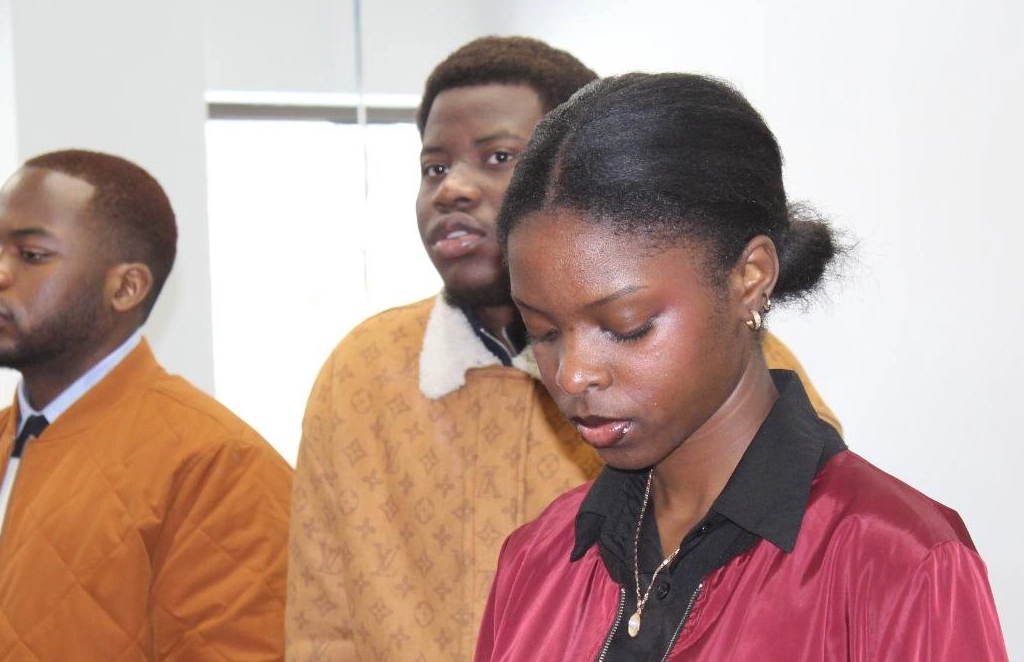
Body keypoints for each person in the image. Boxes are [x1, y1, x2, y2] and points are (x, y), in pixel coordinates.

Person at [287, 38, 839, 662]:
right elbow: (321, 624)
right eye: (434, 167)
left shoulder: (735, 373)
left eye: (499, 158)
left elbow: (812, 576)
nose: (454, 189)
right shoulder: (360, 372)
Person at [474, 73, 1008, 661]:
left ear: (750, 278)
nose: (573, 375)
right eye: (543, 331)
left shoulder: (900, 564)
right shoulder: (535, 561)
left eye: (627, 326)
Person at [0, 150, 292, 661]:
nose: (2, 272)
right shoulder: (14, 432)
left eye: (32, 255)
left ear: (126, 287)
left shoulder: (217, 464)